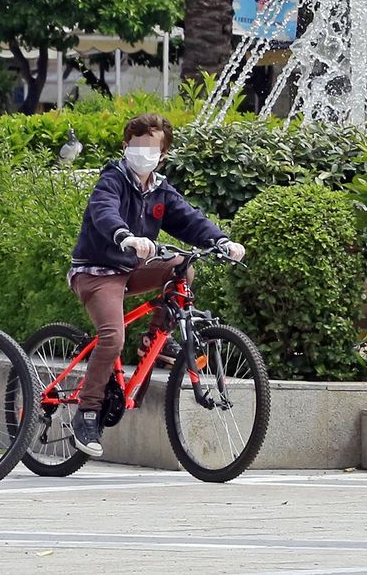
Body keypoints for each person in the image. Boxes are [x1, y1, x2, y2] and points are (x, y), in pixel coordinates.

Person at [66, 113, 245, 459]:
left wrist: (222, 241)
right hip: (96, 272)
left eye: (152, 147)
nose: (143, 153)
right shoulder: (112, 180)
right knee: (112, 337)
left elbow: (190, 220)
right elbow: (104, 212)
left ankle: (155, 339)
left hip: (132, 269)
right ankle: (87, 413)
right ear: (125, 145)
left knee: (182, 268)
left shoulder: (160, 189)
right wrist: (126, 237)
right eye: (137, 145)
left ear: (163, 154)